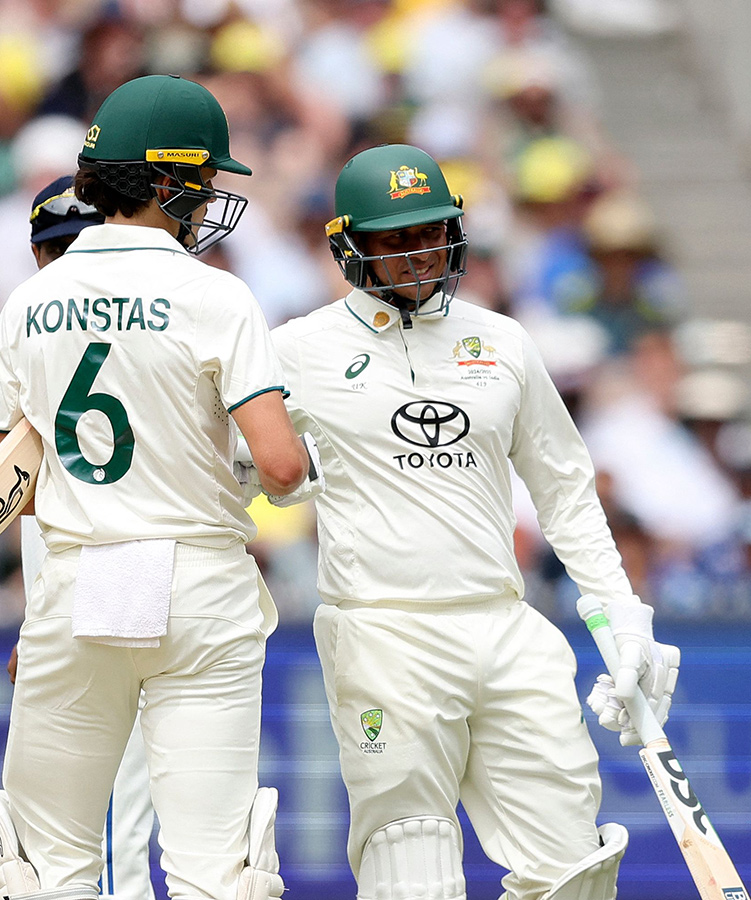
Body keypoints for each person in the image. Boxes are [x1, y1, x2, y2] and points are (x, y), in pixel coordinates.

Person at [269, 143, 680, 900]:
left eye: (428, 232)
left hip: (503, 621)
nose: (417, 253)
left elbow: (565, 490)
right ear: (348, 246)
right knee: (410, 861)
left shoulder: (503, 341)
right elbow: (234, 475)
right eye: (394, 239)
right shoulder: (296, 350)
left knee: (574, 868)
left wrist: (624, 616)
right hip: (381, 630)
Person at [0, 75, 309, 900]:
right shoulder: (217, 295)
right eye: (205, 182)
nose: (210, 201)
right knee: (214, 872)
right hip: (199, 585)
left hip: (74, 581)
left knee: (50, 867)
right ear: (168, 182)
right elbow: (282, 469)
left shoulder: (28, 303)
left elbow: (12, 481)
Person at [5, 174, 155, 900]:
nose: (64, 265)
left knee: (106, 806)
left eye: (75, 247)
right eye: (53, 250)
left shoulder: (30, 324)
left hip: (124, 572)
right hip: (82, 583)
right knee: (65, 816)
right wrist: (40, 623)